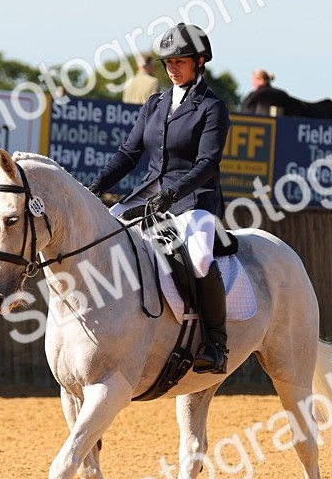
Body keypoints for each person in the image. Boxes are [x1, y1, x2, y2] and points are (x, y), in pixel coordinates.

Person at [88, 22, 230, 375]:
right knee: (104, 234)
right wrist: (96, 186)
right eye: (168, 61)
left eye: (179, 61)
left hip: (194, 198)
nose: (172, 67)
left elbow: (208, 163)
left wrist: (174, 194)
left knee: (197, 259)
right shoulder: (156, 102)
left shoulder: (212, 107)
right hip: (149, 193)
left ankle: (215, 343)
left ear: (199, 62)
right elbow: (129, 152)